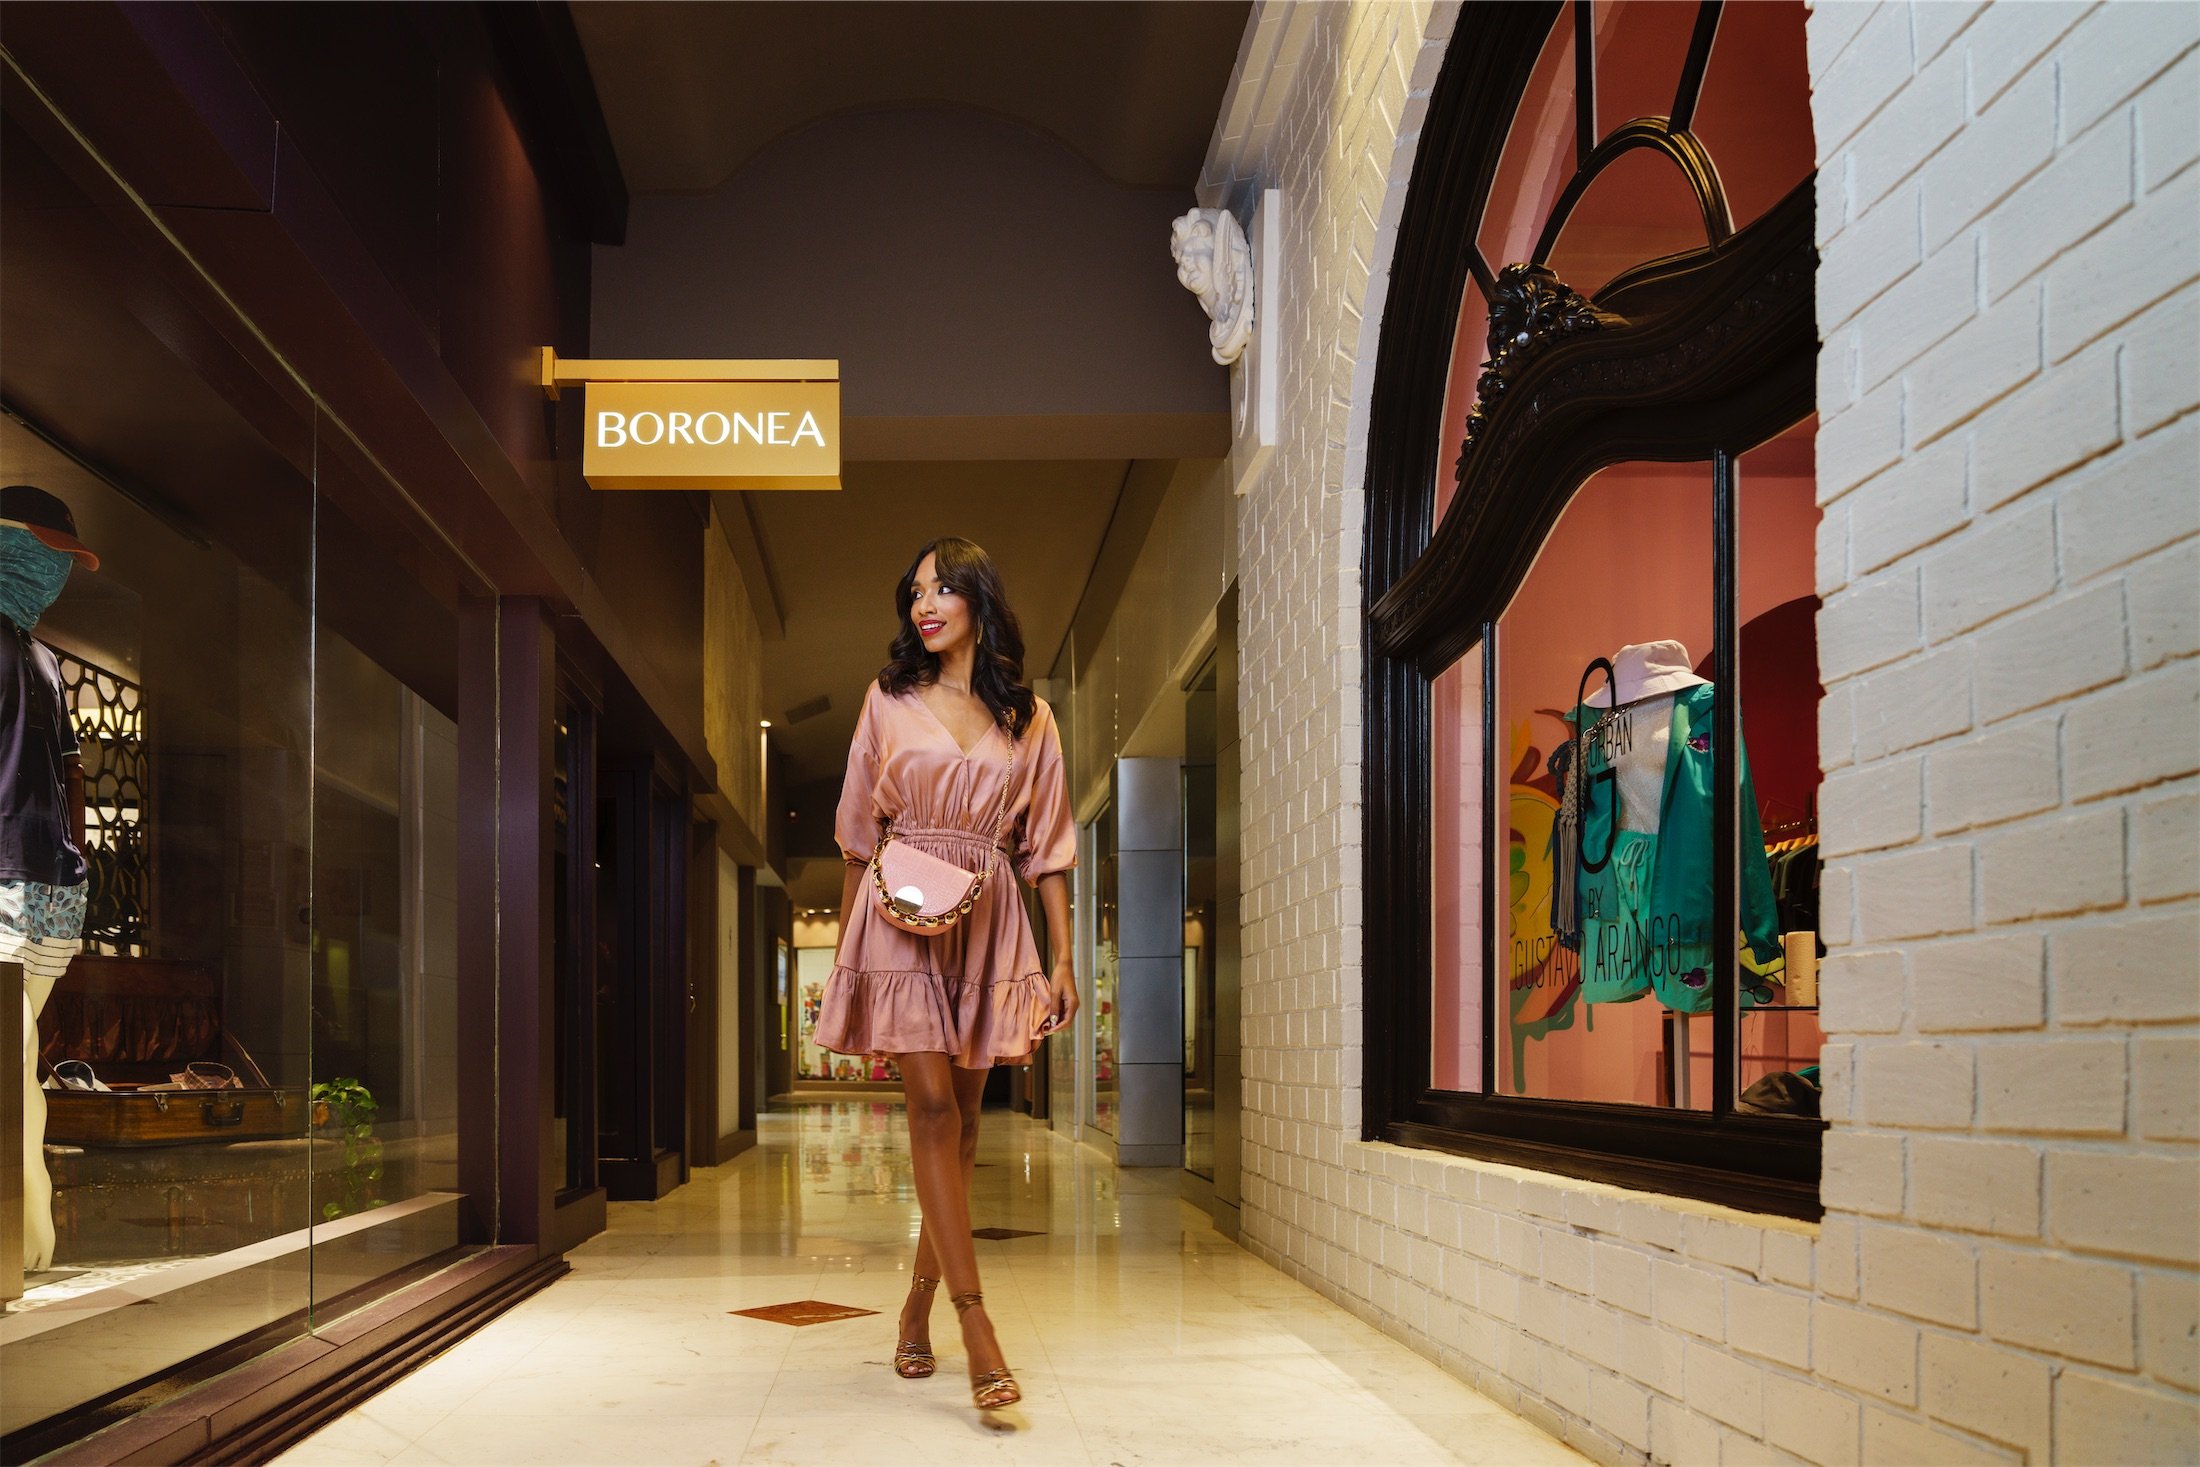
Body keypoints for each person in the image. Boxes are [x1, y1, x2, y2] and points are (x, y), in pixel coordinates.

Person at [814, 536, 1078, 1413]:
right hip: (898, 915)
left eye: (943, 589)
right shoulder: (886, 701)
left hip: (992, 914)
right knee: (930, 1110)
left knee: (965, 1124)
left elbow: (1047, 851)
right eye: (916, 592)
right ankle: (977, 1325)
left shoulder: (1030, 719)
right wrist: (851, 957)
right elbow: (859, 831)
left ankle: (918, 1303)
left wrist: (1063, 959)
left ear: (979, 601)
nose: (925, 605)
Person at [0, 484, 99, 1272]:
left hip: (45, 886)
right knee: (11, 1051)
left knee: (16, 1054)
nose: (58, 571)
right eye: (47, 551)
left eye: (65, 559)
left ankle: (28, 1227)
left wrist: (76, 860)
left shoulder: (42, 659)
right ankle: (28, 1221)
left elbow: (68, 773)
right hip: (7, 877)